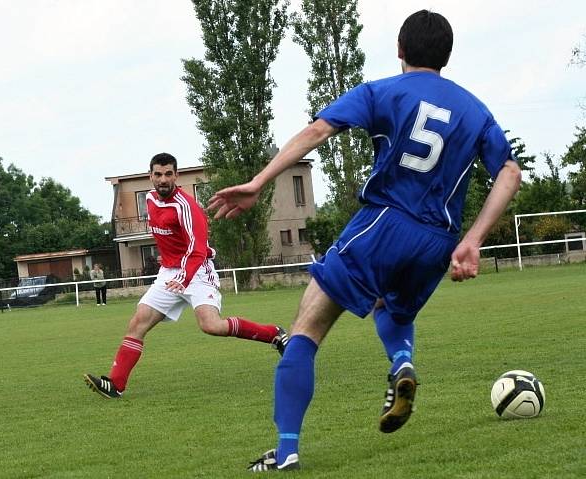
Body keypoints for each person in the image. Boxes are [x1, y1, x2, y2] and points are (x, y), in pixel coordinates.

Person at [208, 10, 522, 472]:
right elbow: (510, 173)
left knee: (305, 330)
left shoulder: (382, 91)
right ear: (447, 56)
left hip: (384, 222)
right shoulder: (475, 110)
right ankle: (401, 363)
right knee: (390, 309)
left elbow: (319, 131)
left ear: (400, 49)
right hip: (438, 240)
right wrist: (473, 239)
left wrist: (259, 182)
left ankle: (287, 448)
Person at [84, 153, 289, 399]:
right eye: (158, 174)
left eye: (168, 174)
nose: (163, 179)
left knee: (211, 326)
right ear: (150, 176)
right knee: (137, 323)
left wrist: (184, 277)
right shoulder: (149, 199)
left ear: (176, 176)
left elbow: (197, 249)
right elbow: (166, 236)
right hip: (169, 273)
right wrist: (169, 259)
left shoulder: (187, 206)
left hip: (198, 271)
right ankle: (115, 385)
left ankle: (274, 334)